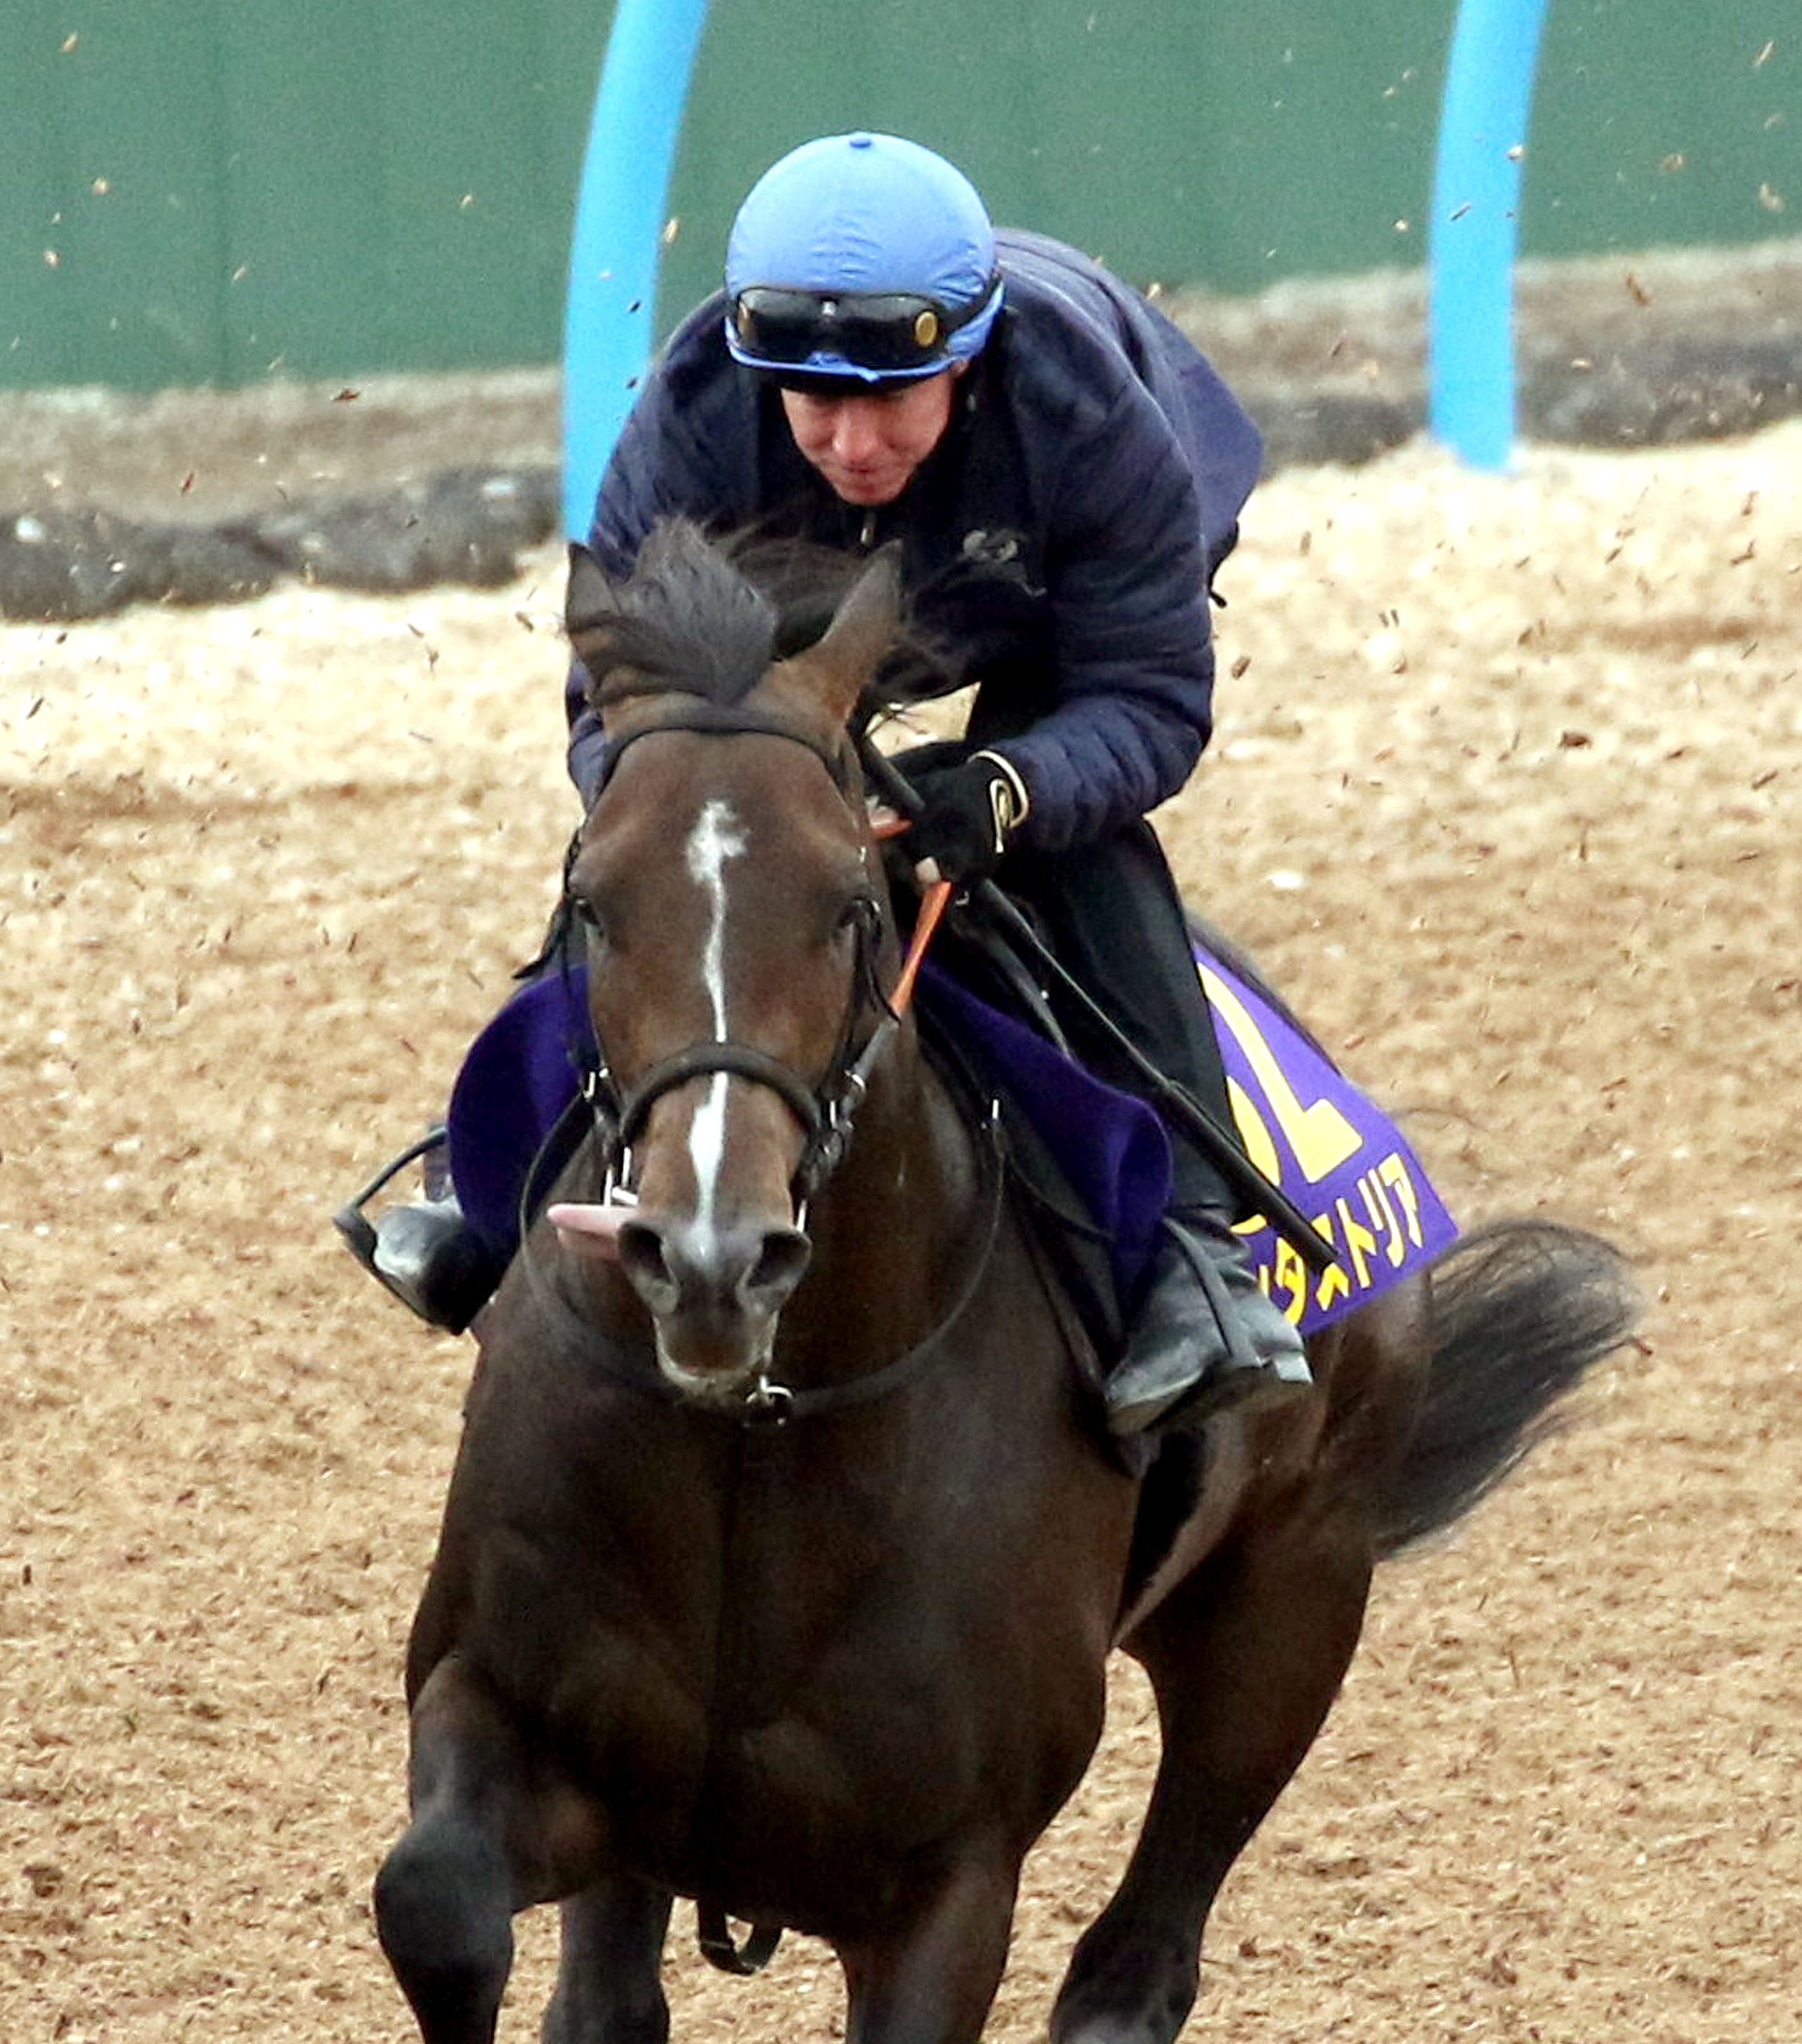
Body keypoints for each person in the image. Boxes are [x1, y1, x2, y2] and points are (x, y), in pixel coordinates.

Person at [347, 130, 1309, 1433]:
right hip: (786, 616)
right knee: (679, 842)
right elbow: (614, 714)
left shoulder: (1090, 416)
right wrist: (701, 796)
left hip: (1036, 608)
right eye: (814, 404)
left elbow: (1148, 698)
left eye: (893, 399)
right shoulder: (696, 421)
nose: (853, 443)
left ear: (964, 360)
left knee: (1075, 847)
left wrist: (1008, 789)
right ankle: (486, 1176)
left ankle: (1202, 1259)